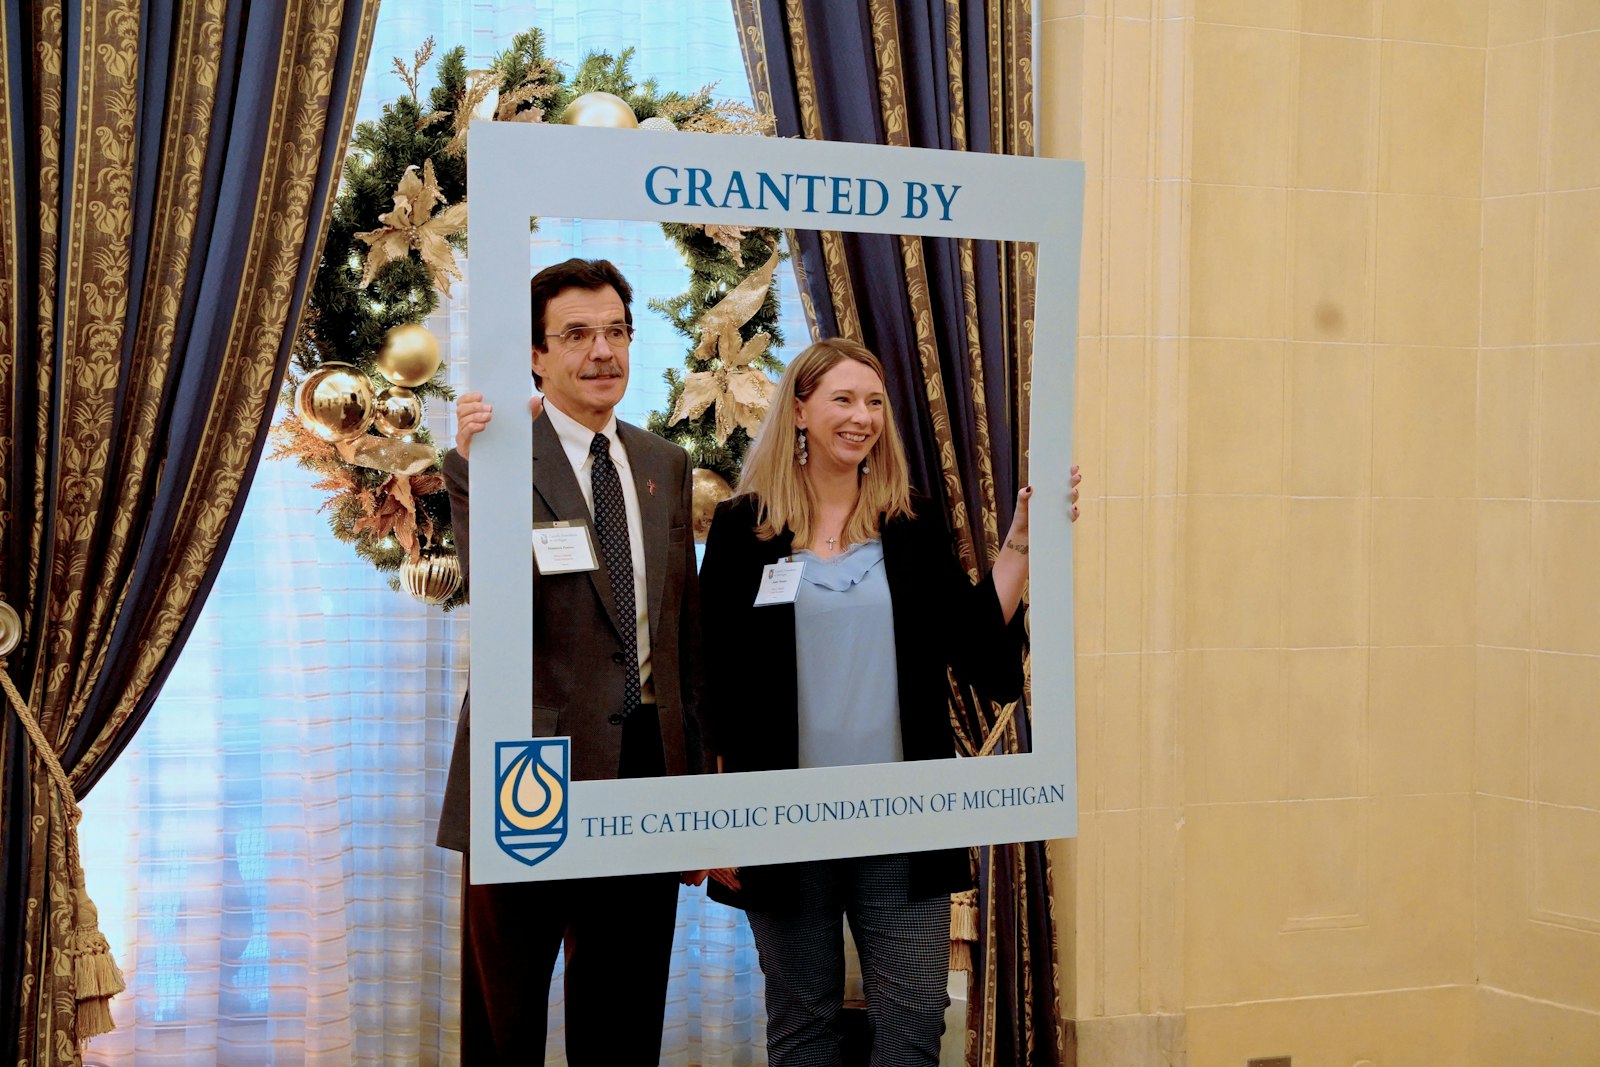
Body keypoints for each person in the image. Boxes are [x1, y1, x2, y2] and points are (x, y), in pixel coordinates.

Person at [697, 337, 1078, 1066]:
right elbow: (713, 679)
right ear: (800, 409)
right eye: (843, 398)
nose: (862, 416)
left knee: (912, 1022)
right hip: (784, 818)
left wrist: (1022, 548)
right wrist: (719, 819)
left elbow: (975, 647)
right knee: (803, 1023)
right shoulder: (744, 529)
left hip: (903, 819)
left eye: (874, 402)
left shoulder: (911, 525)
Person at [437, 257, 707, 1065]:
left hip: (645, 770)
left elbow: (683, 636)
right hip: (531, 763)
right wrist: (481, 457)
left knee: (624, 1017)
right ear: (535, 353)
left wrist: (696, 792)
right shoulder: (490, 458)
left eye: (616, 331)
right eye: (578, 334)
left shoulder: (665, 463)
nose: (602, 352)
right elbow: (498, 587)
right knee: (506, 1016)